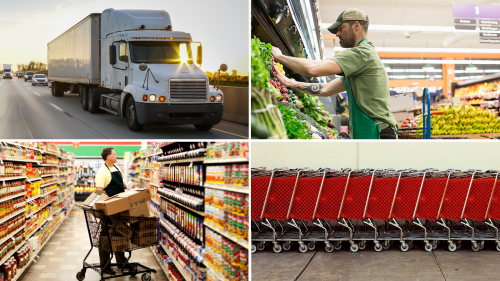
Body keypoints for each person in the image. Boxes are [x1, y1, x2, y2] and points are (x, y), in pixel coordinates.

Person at [271, 8, 398, 139]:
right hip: (370, 131)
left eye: (341, 28)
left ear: (356, 25)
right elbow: (326, 89)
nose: (337, 33)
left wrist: (280, 57)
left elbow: (313, 69)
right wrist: (290, 83)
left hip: (375, 132)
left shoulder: (361, 53)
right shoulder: (362, 60)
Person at [95, 147, 134, 275]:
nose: (117, 156)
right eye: (115, 154)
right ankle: (105, 265)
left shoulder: (116, 168)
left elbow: (120, 184)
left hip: (120, 208)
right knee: (106, 236)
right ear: (108, 157)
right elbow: (99, 192)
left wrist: (128, 186)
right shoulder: (102, 172)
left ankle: (121, 262)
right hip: (108, 210)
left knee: (120, 234)